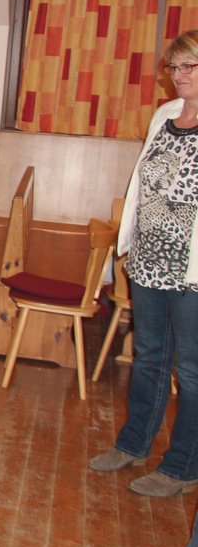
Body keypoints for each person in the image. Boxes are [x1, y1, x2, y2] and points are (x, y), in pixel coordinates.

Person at [89, 30, 198, 499]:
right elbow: (142, 183)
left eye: (189, 66)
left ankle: (182, 467)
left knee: (191, 371)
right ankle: (133, 444)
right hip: (149, 260)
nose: (178, 75)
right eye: (174, 67)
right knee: (148, 356)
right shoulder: (165, 115)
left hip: (192, 270)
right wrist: (131, 241)